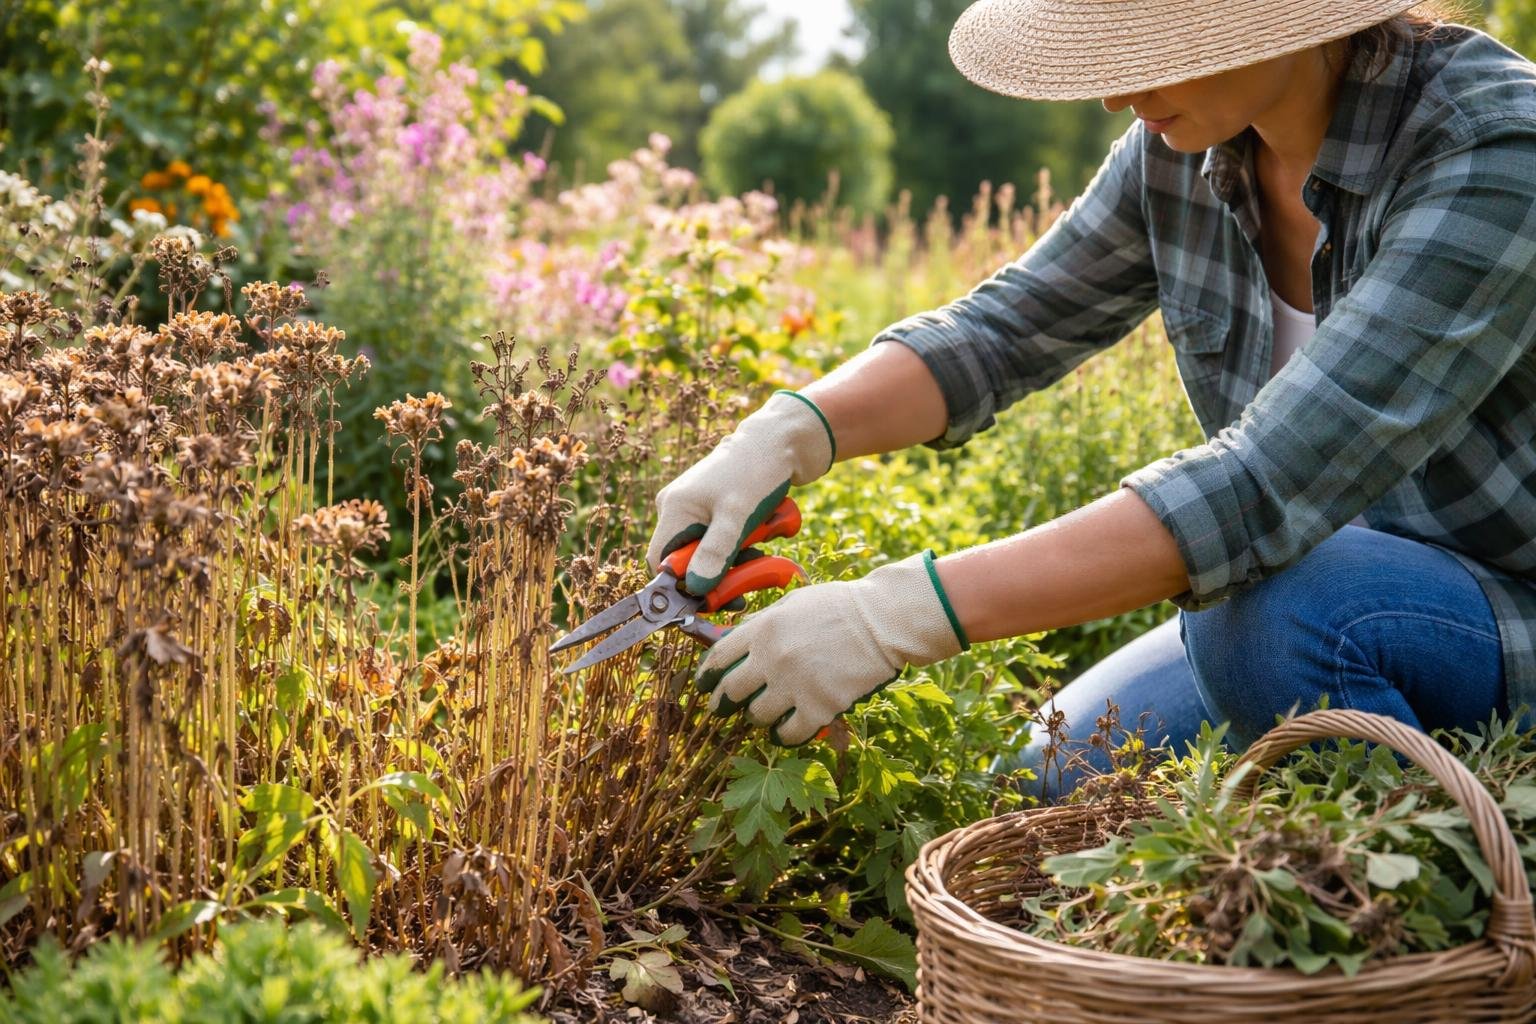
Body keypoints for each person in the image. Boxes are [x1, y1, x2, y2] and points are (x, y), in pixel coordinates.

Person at [647, 0, 1536, 800]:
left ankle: (1446, 902)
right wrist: (792, 430)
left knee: (1264, 615)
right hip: (1336, 589)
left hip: (1498, 607)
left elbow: (1261, 487)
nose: (1116, 94)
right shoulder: (1185, 148)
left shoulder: (1492, 150)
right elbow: (1005, 330)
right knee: (1040, 783)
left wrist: (895, 615)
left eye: (1148, 41)